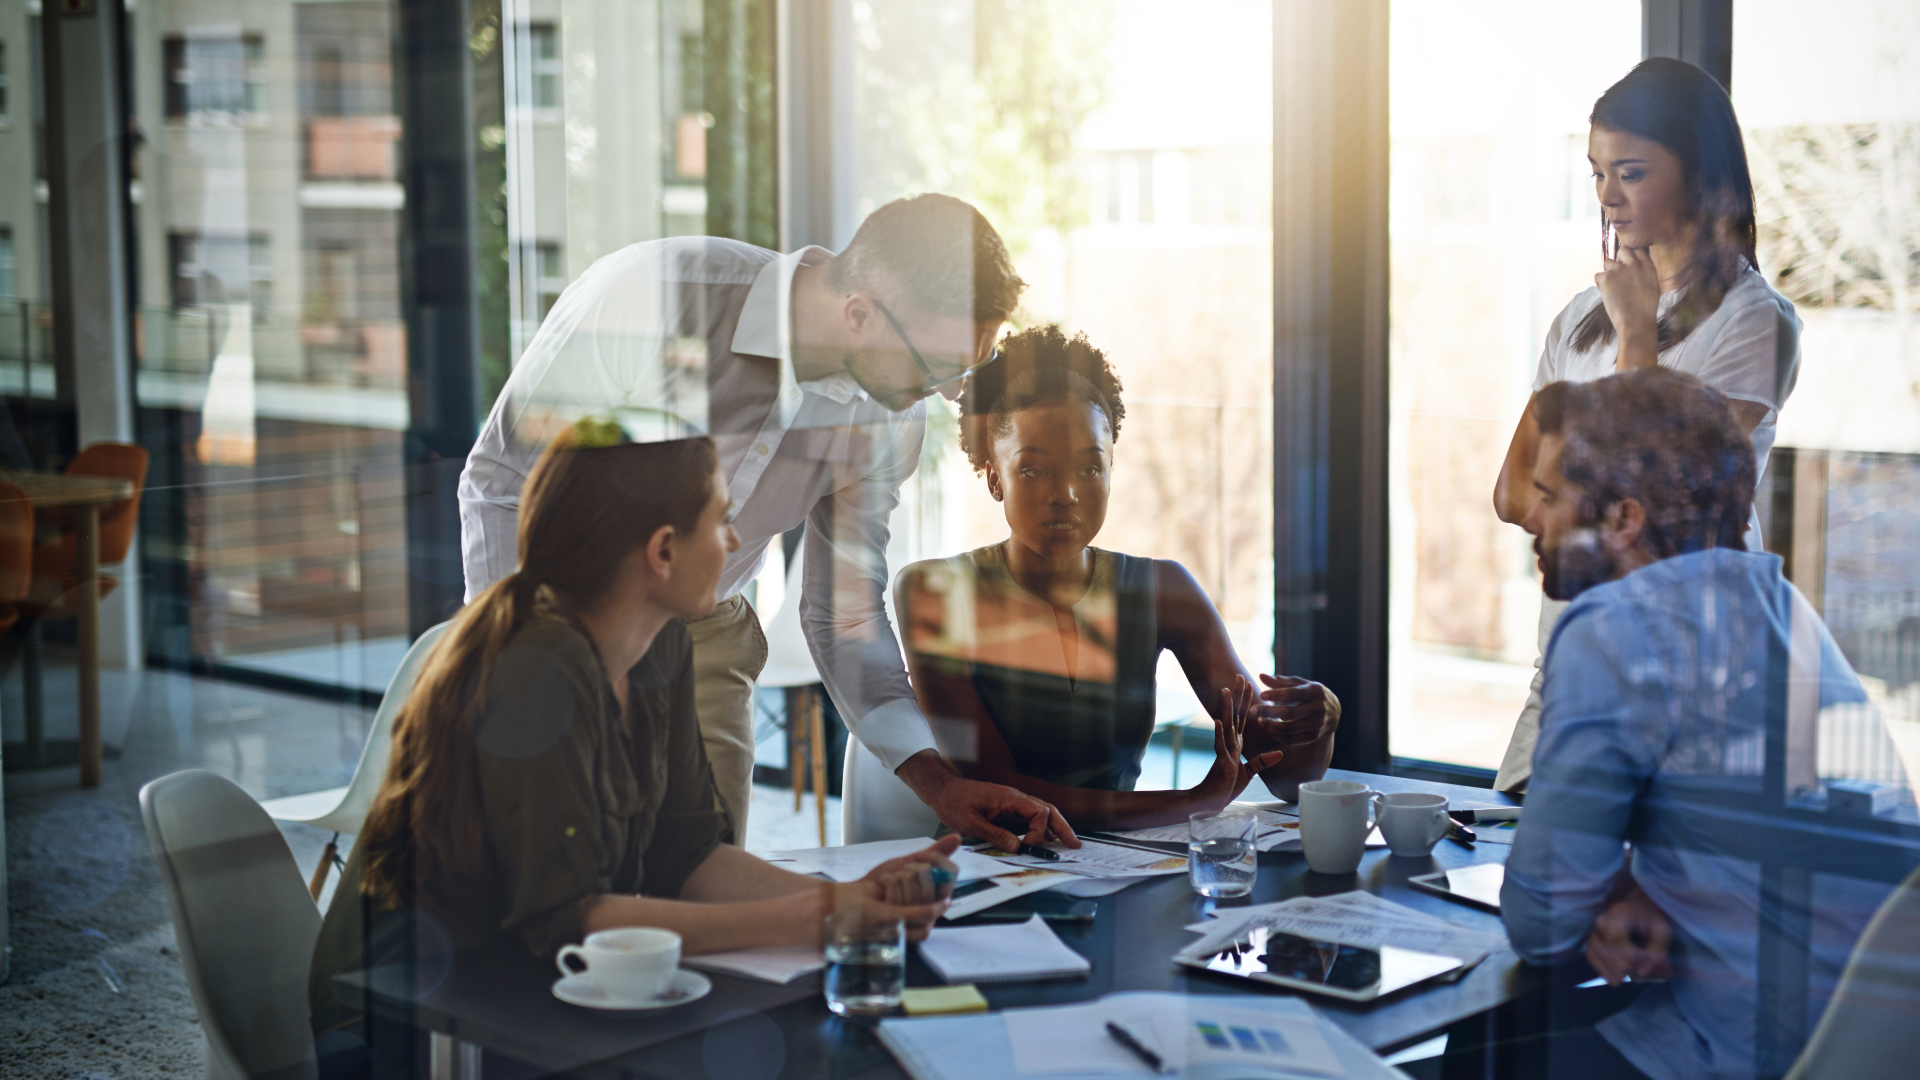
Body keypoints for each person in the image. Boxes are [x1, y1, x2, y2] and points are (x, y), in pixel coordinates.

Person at [311, 421, 958, 1071]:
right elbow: (574, 921)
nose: (735, 541)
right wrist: (825, 916)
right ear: (663, 551)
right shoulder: (538, 663)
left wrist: (842, 899)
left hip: (524, 995)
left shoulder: (663, 646)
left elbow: (689, 854)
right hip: (407, 1018)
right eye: (721, 520)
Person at [459, 194, 1078, 852]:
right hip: (559, 618)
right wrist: (522, 659)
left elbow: (844, 614)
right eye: (938, 367)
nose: (950, 394)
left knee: (708, 878)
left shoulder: (888, 418)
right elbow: (501, 482)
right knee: (553, 871)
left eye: (967, 368)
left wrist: (940, 785)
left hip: (707, 638)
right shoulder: (657, 296)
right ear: (860, 314)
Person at [1500, 369, 1914, 1080]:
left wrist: (1608, 892)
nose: (1533, 520)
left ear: (1624, 520)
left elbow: (1541, 921)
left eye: (1549, 496)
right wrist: (1644, 887)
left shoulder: (1615, 625)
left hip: (1760, 1049)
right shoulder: (1779, 607)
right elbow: (1742, 823)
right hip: (1877, 1040)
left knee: (1495, 1046)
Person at [1491, 58, 1801, 792]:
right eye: (1597, 173)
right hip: (1571, 648)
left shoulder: (1753, 322)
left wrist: (1637, 334)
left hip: (1688, 664)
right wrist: (1586, 505)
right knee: (1514, 854)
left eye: (1629, 172)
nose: (1607, 196)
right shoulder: (1579, 319)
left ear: (1698, 174)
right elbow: (1512, 495)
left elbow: (1653, 495)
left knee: (1636, 890)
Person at [894, 326, 1339, 830]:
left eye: (1088, 469)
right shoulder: (933, 593)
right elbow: (1002, 795)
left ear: (1111, 471)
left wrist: (1319, 724)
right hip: (990, 872)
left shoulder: (1163, 591)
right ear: (995, 476)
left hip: (1116, 870)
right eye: (1035, 471)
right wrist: (1190, 804)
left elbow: (1284, 779)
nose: (1066, 493)